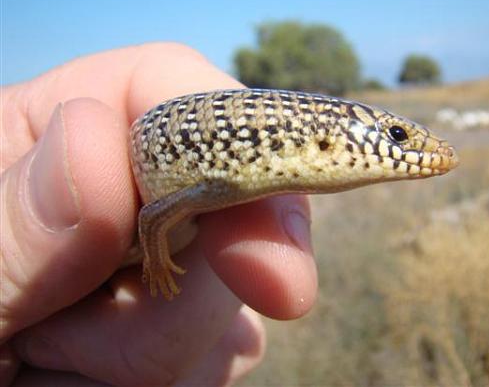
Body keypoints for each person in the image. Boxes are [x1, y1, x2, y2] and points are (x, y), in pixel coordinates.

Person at [0, 43, 316, 386]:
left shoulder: (223, 187)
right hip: (121, 242)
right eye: (388, 135)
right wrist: (157, 261)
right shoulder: (211, 186)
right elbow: (151, 215)